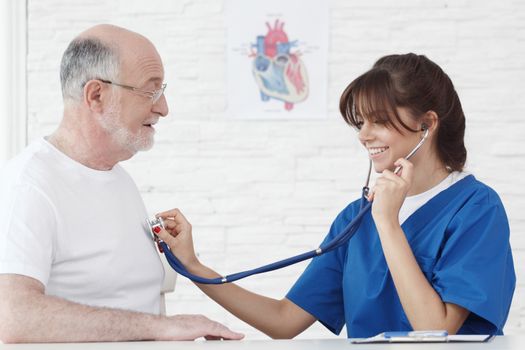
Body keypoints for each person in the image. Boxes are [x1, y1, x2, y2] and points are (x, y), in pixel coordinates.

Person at [154, 53, 516, 338]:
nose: (363, 135)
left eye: (377, 120)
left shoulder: (476, 209)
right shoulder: (356, 218)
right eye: (360, 123)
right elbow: (284, 321)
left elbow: (434, 331)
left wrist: (388, 223)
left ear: (427, 123)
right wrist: (194, 266)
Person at [0, 24, 243, 343]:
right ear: (96, 95)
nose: (163, 108)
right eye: (150, 91)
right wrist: (161, 328)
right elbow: (13, 316)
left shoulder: (118, 178)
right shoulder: (28, 185)